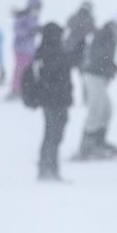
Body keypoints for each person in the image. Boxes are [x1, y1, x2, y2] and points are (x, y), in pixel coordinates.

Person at [75, 14, 117, 160]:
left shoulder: (110, 37)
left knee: (107, 109)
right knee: (97, 108)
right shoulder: (104, 36)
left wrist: (115, 68)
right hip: (93, 75)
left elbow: (106, 59)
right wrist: (112, 68)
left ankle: (99, 141)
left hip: (100, 76)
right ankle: (86, 145)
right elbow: (99, 57)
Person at [32, 23, 74, 181]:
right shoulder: (54, 52)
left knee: (51, 134)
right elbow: (58, 77)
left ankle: (46, 168)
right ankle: (49, 170)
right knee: (53, 135)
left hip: (51, 100)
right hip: (56, 101)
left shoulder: (43, 52)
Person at [8, 0, 41, 100]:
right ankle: (16, 89)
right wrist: (29, 32)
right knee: (20, 69)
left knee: (27, 70)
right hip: (21, 48)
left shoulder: (33, 17)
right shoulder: (23, 16)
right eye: (36, 7)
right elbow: (17, 30)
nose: (38, 10)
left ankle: (24, 89)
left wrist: (37, 30)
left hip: (29, 49)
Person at [64, 0, 96, 101]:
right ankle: (85, 98)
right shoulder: (88, 19)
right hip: (80, 51)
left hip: (70, 50)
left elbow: (68, 23)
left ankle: (67, 97)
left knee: (66, 76)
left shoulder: (76, 17)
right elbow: (93, 31)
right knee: (84, 77)